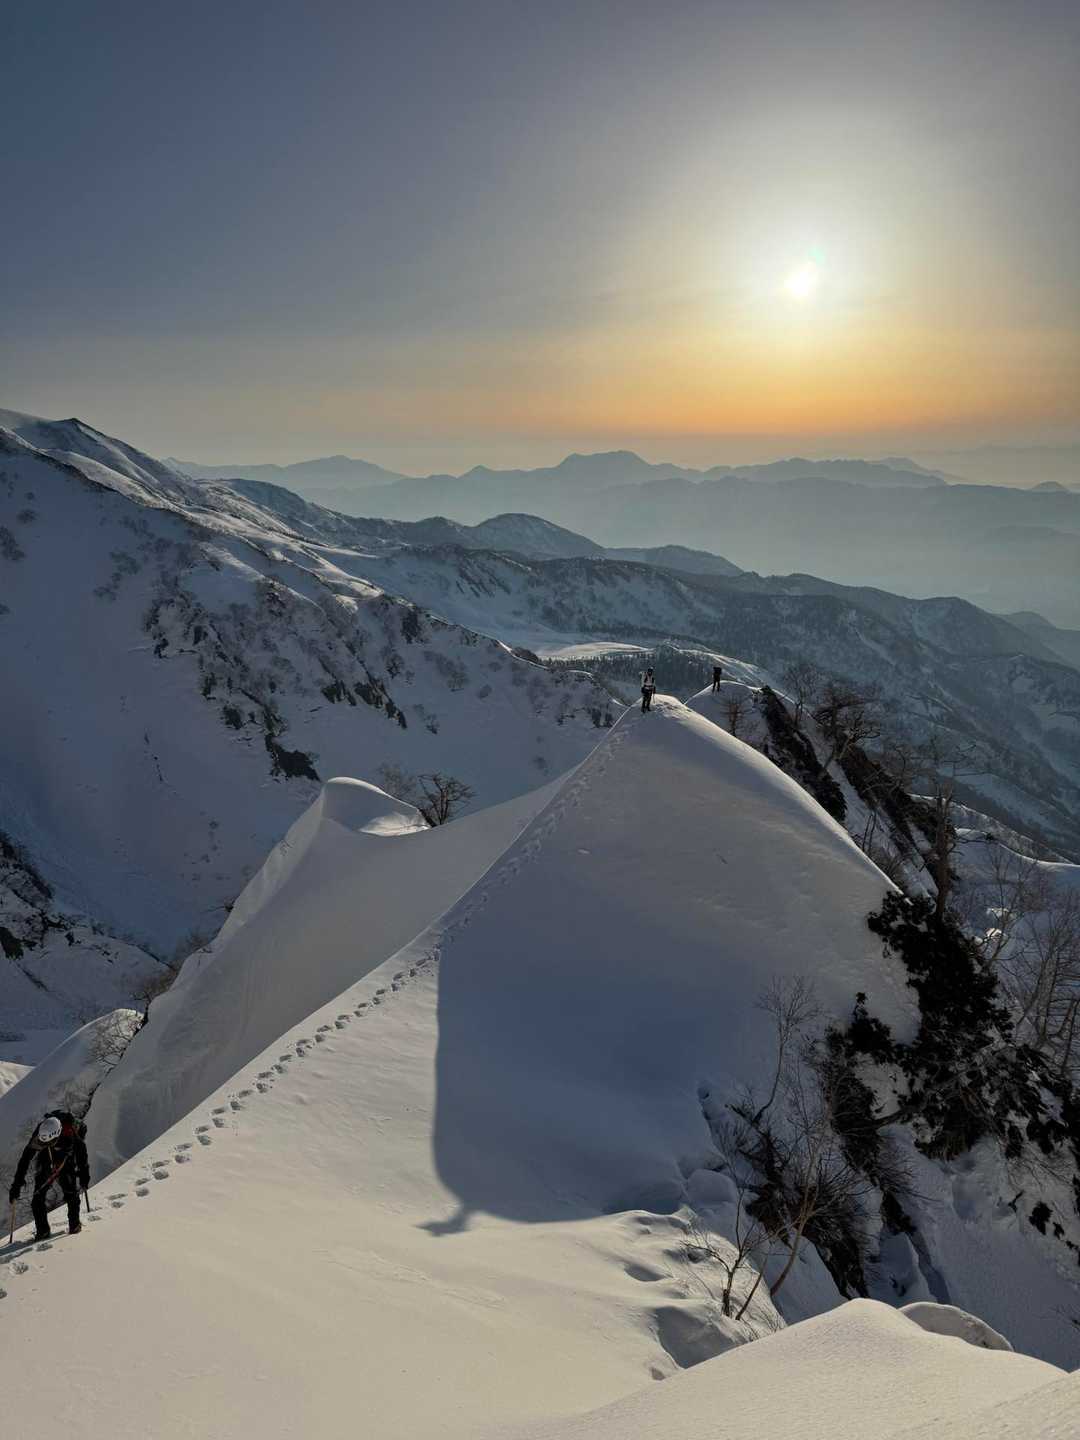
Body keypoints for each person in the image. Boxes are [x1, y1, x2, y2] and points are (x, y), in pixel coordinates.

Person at [9, 1111, 90, 1240]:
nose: (43, 1144)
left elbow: (82, 1155)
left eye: (48, 1142)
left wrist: (84, 1176)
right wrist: (16, 1184)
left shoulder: (71, 1134)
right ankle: (43, 1231)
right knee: (37, 1197)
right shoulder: (40, 1135)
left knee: (70, 1192)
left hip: (66, 1157)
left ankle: (74, 1225)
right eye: (42, 1143)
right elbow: (25, 1159)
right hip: (47, 1157)